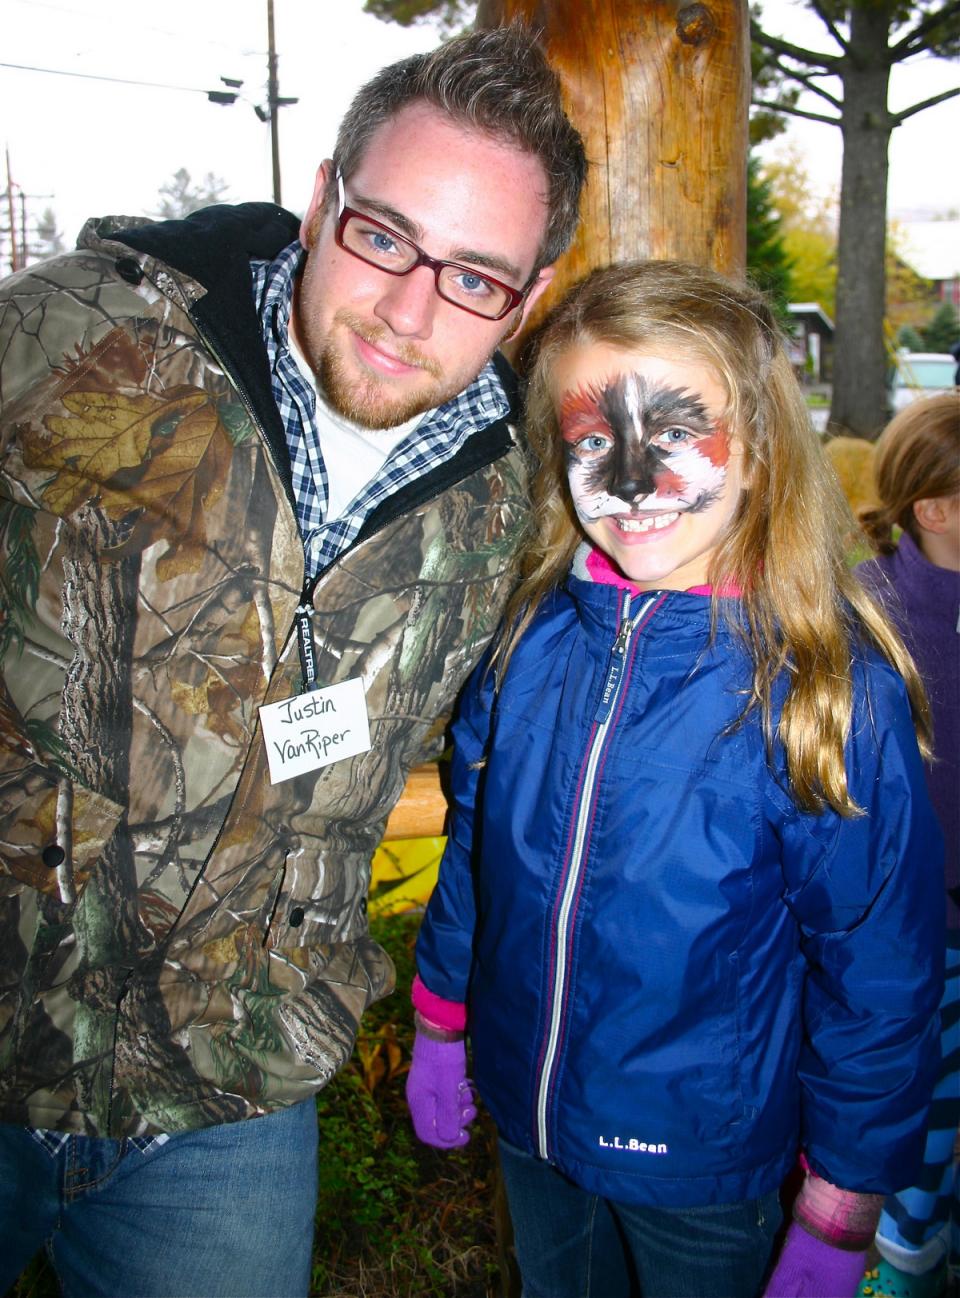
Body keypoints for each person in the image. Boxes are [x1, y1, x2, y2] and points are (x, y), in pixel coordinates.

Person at [0, 25, 586, 1298]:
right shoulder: (62, 341)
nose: (409, 308)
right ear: (322, 199)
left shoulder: (519, 497)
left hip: (229, 1100)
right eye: (385, 235)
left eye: (478, 277)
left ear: (529, 298)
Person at [405, 261, 945, 1298]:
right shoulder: (528, 641)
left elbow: (880, 975)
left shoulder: (826, 691)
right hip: (531, 1120)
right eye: (593, 442)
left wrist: (841, 1203)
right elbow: (477, 850)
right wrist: (440, 1018)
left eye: (677, 433)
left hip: (705, 1165)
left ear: (760, 450)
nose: (631, 483)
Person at [855, 394, 960, 1298]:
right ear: (937, 508)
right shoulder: (870, 607)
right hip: (910, 912)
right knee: (922, 1090)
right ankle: (903, 1256)